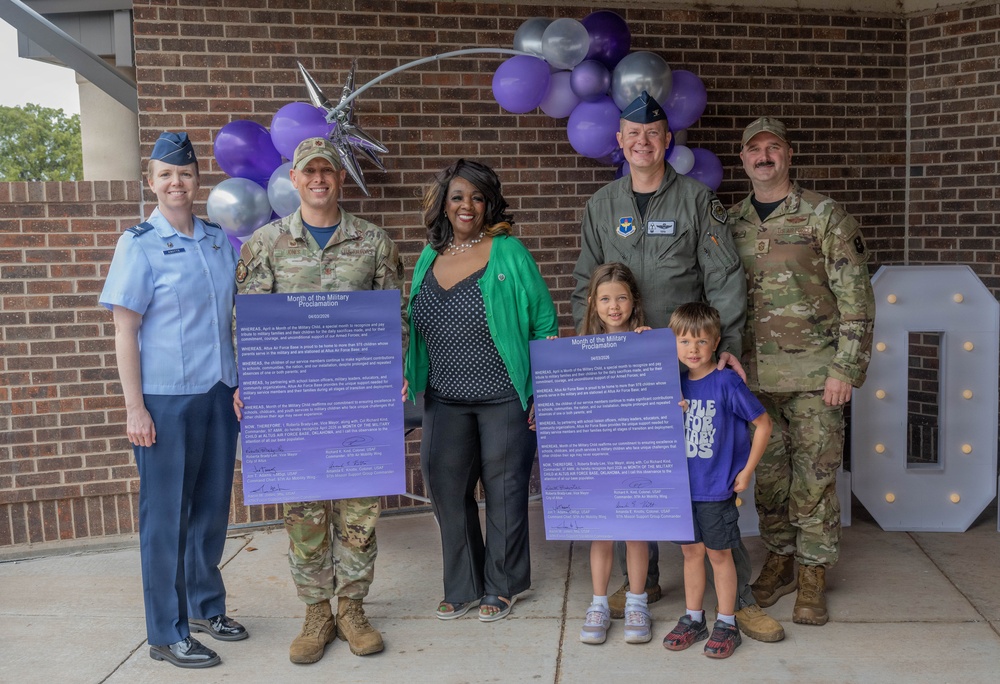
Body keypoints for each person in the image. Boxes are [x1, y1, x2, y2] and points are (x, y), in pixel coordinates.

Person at [571, 91, 784, 644]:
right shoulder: (601, 204)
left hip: (690, 362)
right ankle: (646, 584)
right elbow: (584, 287)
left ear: (668, 141)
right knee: (637, 474)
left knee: (707, 479)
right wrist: (593, 357)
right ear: (619, 143)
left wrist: (725, 348)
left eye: (653, 134)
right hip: (627, 366)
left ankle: (742, 602)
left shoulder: (696, 200)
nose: (642, 143)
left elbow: (724, 277)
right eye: (632, 135)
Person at [234, 137, 406, 662]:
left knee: (358, 509)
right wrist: (252, 383)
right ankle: (316, 612)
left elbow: (395, 318)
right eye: (308, 171)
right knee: (305, 511)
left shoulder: (374, 242)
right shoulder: (264, 244)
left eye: (326, 171)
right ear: (294, 178)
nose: (318, 180)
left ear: (338, 177)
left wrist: (392, 373)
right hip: (295, 405)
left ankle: (352, 609)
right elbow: (248, 323)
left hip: (357, 403)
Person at [99, 131, 246, 669]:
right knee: (166, 519)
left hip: (216, 394)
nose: (176, 183)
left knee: (210, 512)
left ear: (196, 180)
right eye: (165, 175)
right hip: (164, 402)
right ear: (151, 182)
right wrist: (134, 408)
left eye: (184, 173)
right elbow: (124, 331)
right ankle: (165, 632)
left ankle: (207, 606)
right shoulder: (137, 243)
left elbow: (233, 320)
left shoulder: (214, 240)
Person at [729, 117, 876, 626]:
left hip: (817, 375)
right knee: (768, 481)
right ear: (743, 159)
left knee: (813, 478)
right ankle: (780, 560)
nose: (764, 156)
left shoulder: (823, 215)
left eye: (773, 147)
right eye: (754, 149)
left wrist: (846, 368)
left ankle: (813, 575)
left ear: (788, 156)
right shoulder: (732, 222)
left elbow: (856, 296)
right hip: (752, 379)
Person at [405, 159, 558, 623]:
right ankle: (463, 584)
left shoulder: (508, 252)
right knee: (446, 489)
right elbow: (416, 321)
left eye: (476, 196)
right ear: (443, 204)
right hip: (444, 396)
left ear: (488, 201)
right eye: (457, 196)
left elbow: (544, 321)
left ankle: (504, 584)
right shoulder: (431, 254)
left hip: (504, 395)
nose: (466, 205)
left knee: (505, 490)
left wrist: (543, 389)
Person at [661, 303, 773, 659]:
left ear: (715, 343)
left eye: (701, 341)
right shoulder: (673, 385)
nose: (692, 349)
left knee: (719, 555)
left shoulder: (726, 382)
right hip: (682, 489)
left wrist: (747, 469)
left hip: (715, 487)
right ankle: (695, 619)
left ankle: (727, 622)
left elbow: (763, 424)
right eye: (684, 341)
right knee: (690, 553)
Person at [573, 263, 656, 645]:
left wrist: (650, 346)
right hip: (598, 452)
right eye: (605, 299)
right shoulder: (580, 350)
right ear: (592, 303)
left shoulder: (648, 342)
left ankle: (638, 602)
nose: (614, 306)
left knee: (635, 530)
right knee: (601, 531)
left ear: (634, 301)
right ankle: (600, 604)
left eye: (621, 297)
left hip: (636, 448)